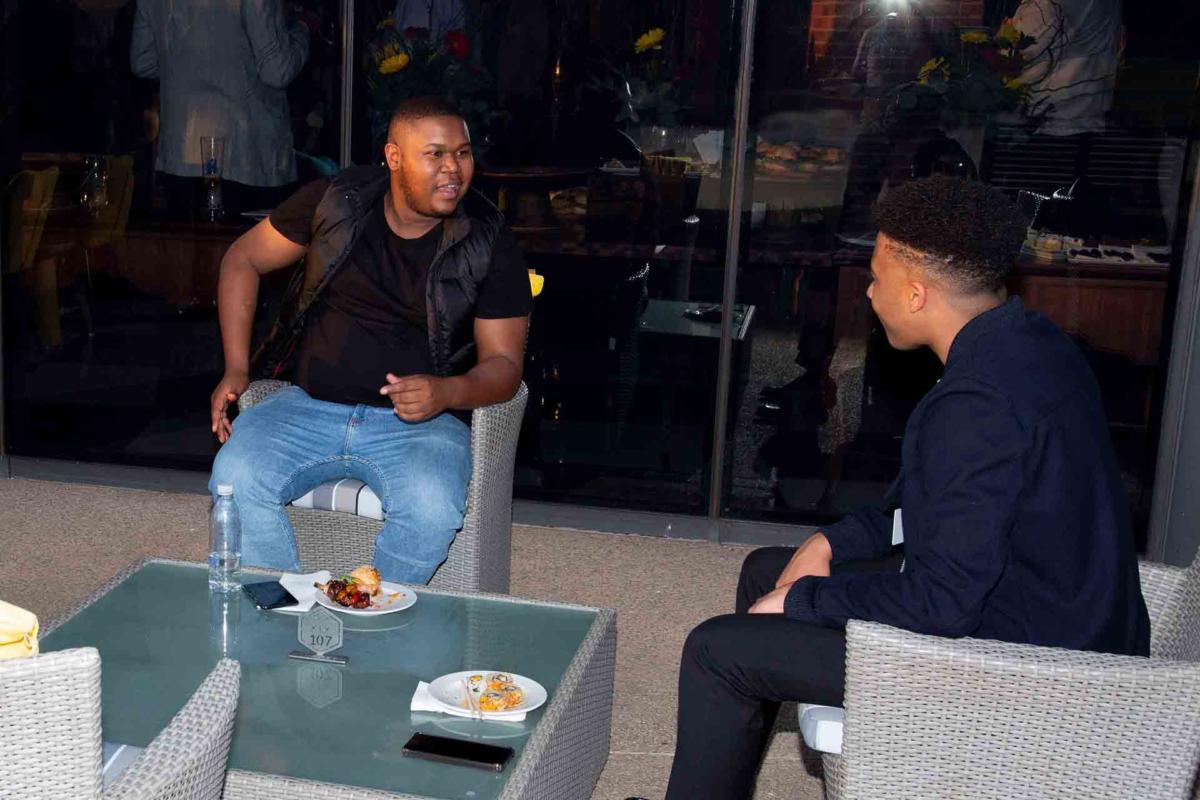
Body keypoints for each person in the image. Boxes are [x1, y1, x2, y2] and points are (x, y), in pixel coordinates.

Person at [662, 176, 1150, 799]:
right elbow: (926, 508)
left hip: (1036, 668)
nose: (869, 292)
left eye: (876, 278)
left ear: (916, 295)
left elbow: (942, 604)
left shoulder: (976, 407)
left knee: (715, 651)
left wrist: (809, 601)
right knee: (767, 572)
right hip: (1052, 611)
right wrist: (830, 543)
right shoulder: (1030, 342)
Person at [208, 96, 532, 584]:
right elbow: (242, 259)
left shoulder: (488, 239)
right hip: (306, 409)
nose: (453, 169)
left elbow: (505, 365)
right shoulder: (336, 202)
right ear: (394, 157)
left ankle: (371, 610)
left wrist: (448, 391)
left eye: (463, 153)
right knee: (234, 477)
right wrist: (236, 366)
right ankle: (284, 607)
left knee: (430, 505)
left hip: (422, 427)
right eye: (435, 154)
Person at [130, 0, 310, 218]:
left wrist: (185, 68)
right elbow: (277, 70)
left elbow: (143, 61)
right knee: (248, 240)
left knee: (188, 238)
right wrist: (303, 30)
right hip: (249, 157)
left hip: (180, 156)